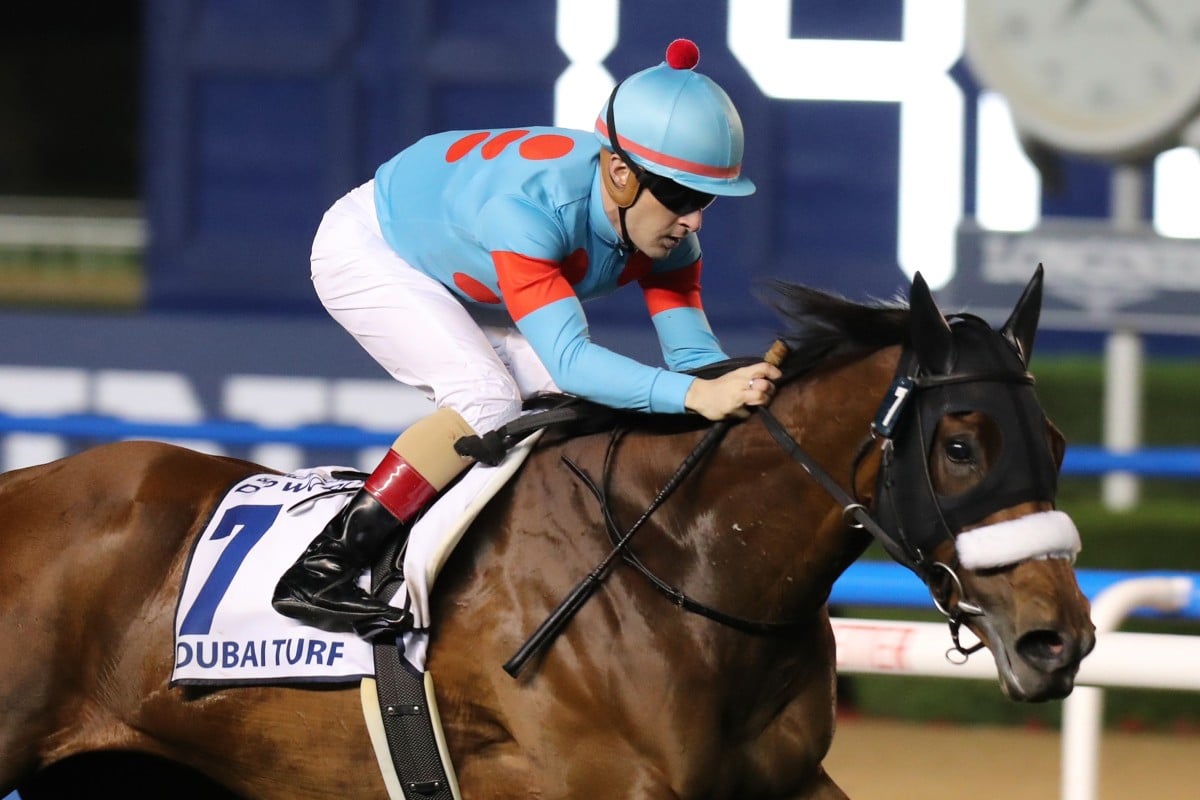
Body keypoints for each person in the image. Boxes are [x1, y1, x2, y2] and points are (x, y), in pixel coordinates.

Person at [272, 38, 782, 640]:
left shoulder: (672, 239)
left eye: (705, 201)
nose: (695, 221)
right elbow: (572, 361)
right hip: (373, 247)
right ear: (620, 174)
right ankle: (321, 569)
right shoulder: (530, 211)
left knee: (575, 409)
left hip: (461, 259)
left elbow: (696, 363)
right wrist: (700, 397)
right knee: (487, 398)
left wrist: (747, 386)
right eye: (680, 197)